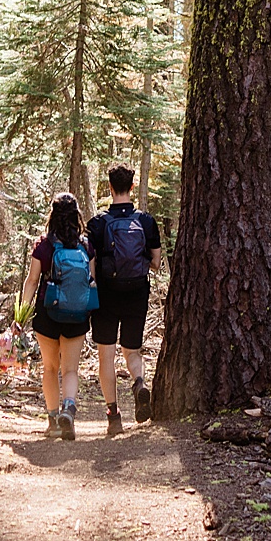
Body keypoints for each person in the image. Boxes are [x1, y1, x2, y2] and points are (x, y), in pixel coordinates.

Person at [86, 164, 161, 435]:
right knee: (133, 350)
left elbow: (90, 266)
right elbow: (156, 262)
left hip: (106, 294)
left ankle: (113, 415)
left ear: (109, 187)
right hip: (136, 291)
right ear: (132, 186)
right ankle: (139, 382)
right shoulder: (146, 221)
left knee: (106, 355)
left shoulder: (97, 224)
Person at [19, 193, 96, 440]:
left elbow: (32, 282)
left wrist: (21, 315)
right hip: (77, 314)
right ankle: (69, 409)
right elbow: (90, 281)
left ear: (52, 216)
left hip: (47, 314)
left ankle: (52, 421)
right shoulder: (85, 246)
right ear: (76, 216)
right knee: (71, 369)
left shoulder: (43, 246)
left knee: (50, 368)